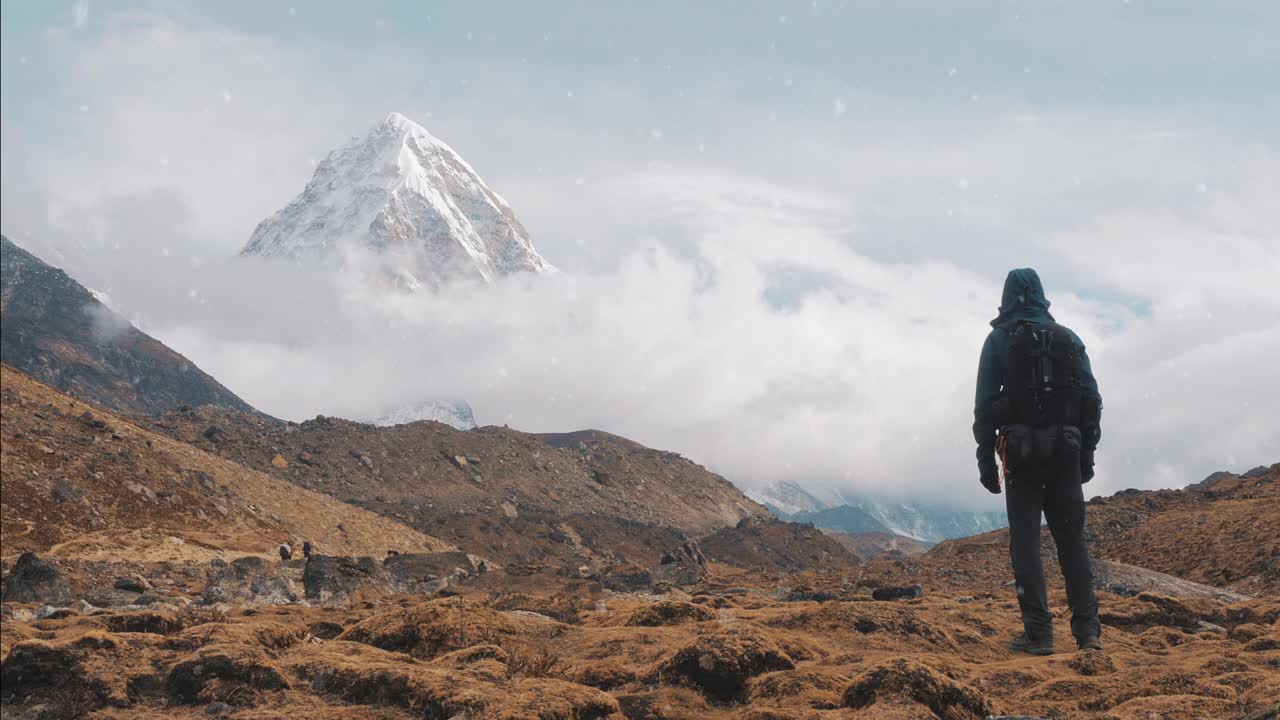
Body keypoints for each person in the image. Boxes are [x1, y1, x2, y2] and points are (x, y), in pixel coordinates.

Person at [974, 268, 1103, 656]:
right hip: (1065, 455)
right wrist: (1086, 457)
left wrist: (985, 462)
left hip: (1022, 460)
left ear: (1006, 296)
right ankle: (1088, 634)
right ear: (1043, 296)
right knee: (1072, 546)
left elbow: (983, 407)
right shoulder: (1069, 339)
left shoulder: (998, 340)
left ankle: (1039, 635)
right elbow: (1091, 401)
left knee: (1026, 547)